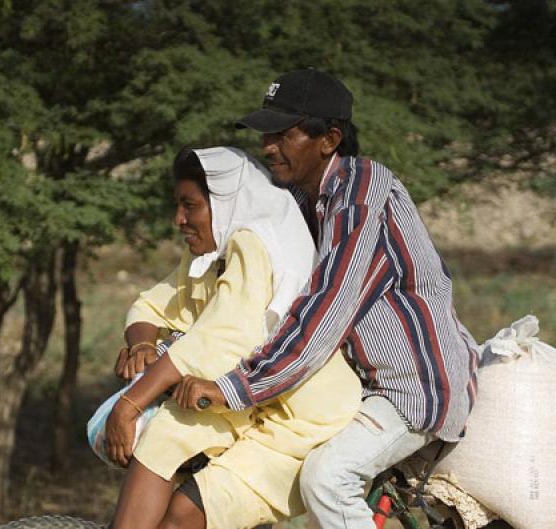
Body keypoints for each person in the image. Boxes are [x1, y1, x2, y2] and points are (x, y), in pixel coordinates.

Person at [174, 69, 481, 529]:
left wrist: (237, 386)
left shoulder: (361, 190)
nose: (268, 146)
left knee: (326, 480)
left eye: (283, 134)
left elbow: (326, 305)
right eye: (265, 134)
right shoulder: (300, 201)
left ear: (329, 138)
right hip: (354, 387)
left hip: (412, 388)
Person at [103, 146, 362, 529]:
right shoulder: (208, 255)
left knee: (182, 515)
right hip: (240, 404)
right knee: (161, 439)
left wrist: (130, 404)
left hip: (296, 426)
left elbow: (217, 341)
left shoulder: (255, 247)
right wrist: (142, 344)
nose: (179, 220)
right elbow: (152, 307)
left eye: (190, 206)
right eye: (178, 206)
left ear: (224, 204)